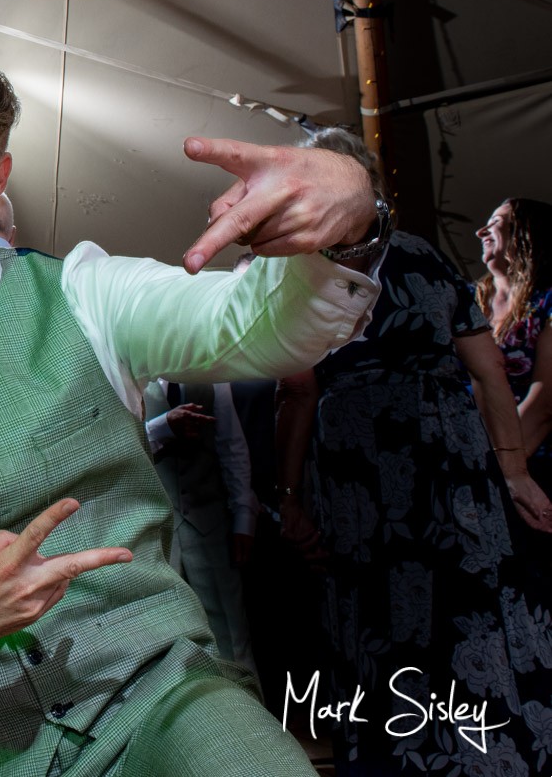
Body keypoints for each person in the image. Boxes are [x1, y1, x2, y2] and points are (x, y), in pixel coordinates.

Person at [0, 43, 387, 777]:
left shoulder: (87, 292)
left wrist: (353, 218)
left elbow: (257, 326)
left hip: (165, 704)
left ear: (0, 173)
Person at [274, 132, 552, 775]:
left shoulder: (310, 269)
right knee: (443, 609)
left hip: (392, 464)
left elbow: (299, 393)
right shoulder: (409, 255)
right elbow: (486, 369)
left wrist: (288, 499)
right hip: (419, 461)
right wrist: (511, 470)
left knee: (405, 618)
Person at [143, 378, 259, 680]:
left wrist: (244, 516)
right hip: (156, 534)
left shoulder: (210, 373)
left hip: (210, 526)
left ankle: (246, 704)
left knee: (231, 636)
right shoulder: (128, 376)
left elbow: (231, 444)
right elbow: (121, 445)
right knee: (167, 637)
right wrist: (162, 427)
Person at [477, 198, 552, 502]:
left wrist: (498, 468)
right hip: (471, 459)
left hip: (532, 465)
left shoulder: (547, 302)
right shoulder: (467, 304)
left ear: (527, 234)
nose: (481, 232)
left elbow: (545, 402)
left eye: (496, 223)